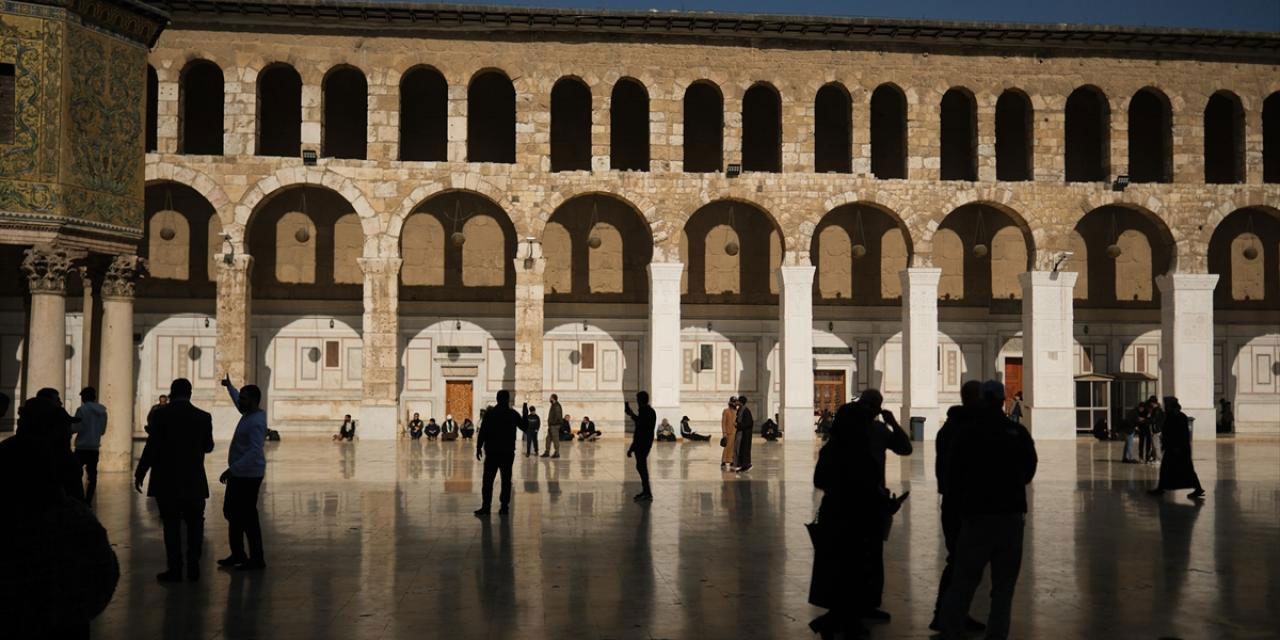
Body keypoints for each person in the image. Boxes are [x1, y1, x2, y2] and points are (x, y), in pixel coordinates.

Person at [1, 393, 119, 638]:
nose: (69, 430)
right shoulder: (59, 466)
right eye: (64, 426)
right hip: (61, 615)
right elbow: (103, 572)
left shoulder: (9, 454)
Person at [938, 380, 1038, 640]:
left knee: (964, 580)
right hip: (1011, 515)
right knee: (1004, 588)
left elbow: (952, 474)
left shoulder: (967, 433)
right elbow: (1029, 470)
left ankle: (950, 631)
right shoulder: (1016, 432)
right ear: (1002, 400)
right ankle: (997, 635)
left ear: (982, 399)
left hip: (977, 514)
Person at [808, 396, 886, 640]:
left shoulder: (832, 447)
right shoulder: (860, 450)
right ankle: (841, 621)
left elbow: (820, 480)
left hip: (835, 514)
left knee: (839, 569)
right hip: (855, 517)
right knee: (853, 569)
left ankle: (837, 618)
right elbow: (870, 482)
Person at [134, 378, 215, 582]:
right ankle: (194, 567)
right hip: (193, 479)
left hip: (166, 479)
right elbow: (208, 447)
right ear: (190, 393)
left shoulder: (160, 415)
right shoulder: (203, 417)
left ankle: (175, 569)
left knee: (171, 525)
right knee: (196, 524)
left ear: (172, 392)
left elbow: (151, 447)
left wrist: (141, 472)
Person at [930, 380, 986, 633]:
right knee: (962, 562)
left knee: (960, 560)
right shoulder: (970, 429)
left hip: (953, 500)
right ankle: (947, 615)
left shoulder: (948, 428)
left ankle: (950, 613)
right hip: (966, 503)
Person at [854, 388, 912, 622]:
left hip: (862, 501)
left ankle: (856, 605)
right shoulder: (876, 430)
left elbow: (905, 450)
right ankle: (866, 605)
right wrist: (893, 423)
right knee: (871, 556)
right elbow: (905, 448)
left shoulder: (853, 429)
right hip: (868, 500)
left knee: (861, 556)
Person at [219, 374, 268, 571]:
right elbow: (239, 405)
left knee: (246, 517)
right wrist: (229, 387)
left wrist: (233, 470)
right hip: (242, 474)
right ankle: (238, 553)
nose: (241, 401)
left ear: (254, 400)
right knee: (233, 513)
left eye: (244, 398)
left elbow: (255, 451)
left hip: (247, 475)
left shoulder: (256, 421)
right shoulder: (250, 414)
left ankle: (256, 558)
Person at [1148, 397, 1206, 499]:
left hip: (1179, 449)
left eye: (1167, 405)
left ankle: (1198, 489)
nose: (1166, 407)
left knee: (1186, 470)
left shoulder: (1179, 417)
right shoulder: (1172, 416)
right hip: (1172, 448)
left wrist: (1177, 447)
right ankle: (1161, 488)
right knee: (1166, 469)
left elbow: (1182, 434)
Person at [475, 390, 521, 516]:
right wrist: (525, 414)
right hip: (507, 453)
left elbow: (482, 432)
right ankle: (504, 507)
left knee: (488, 481)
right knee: (506, 481)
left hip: (492, 452)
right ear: (507, 399)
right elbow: (525, 426)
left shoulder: (490, 414)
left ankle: (486, 507)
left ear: (497, 399)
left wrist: (478, 447)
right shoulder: (512, 414)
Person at [72, 387, 108, 502]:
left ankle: (80, 499)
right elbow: (102, 431)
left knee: (76, 474)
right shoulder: (103, 412)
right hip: (94, 447)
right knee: (92, 477)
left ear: (83, 397)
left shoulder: (81, 410)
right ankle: (88, 501)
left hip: (81, 447)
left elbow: (76, 427)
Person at [625, 392, 656, 502]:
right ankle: (646, 491)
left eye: (638, 399)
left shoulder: (645, 411)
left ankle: (647, 492)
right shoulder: (649, 410)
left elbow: (640, 428)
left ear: (641, 400)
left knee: (641, 467)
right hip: (645, 442)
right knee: (640, 466)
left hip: (643, 442)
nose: (637, 402)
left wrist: (631, 414)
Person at [733, 395, 754, 472]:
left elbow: (749, 423)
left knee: (744, 450)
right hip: (740, 433)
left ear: (741, 402)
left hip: (745, 435)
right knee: (739, 449)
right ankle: (742, 465)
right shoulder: (740, 410)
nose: (737, 402)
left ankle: (746, 465)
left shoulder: (746, 411)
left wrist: (738, 425)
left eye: (738, 401)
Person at [540, 394, 563, 458]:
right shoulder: (553, 405)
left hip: (555, 425)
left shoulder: (557, 406)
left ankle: (557, 453)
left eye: (550, 398)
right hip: (551, 425)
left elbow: (558, 416)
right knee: (548, 438)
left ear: (553, 398)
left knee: (555, 439)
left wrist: (553, 423)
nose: (549, 399)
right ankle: (547, 452)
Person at [720, 397, 737, 469]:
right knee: (727, 447)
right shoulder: (726, 411)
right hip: (728, 432)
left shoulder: (737, 411)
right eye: (733, 402)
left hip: (735, 432)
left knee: (733, 447)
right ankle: (724, 460)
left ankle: (732, 460)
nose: (734, 403)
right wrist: (724, 432)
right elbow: (723, 422)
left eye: (735, 402)